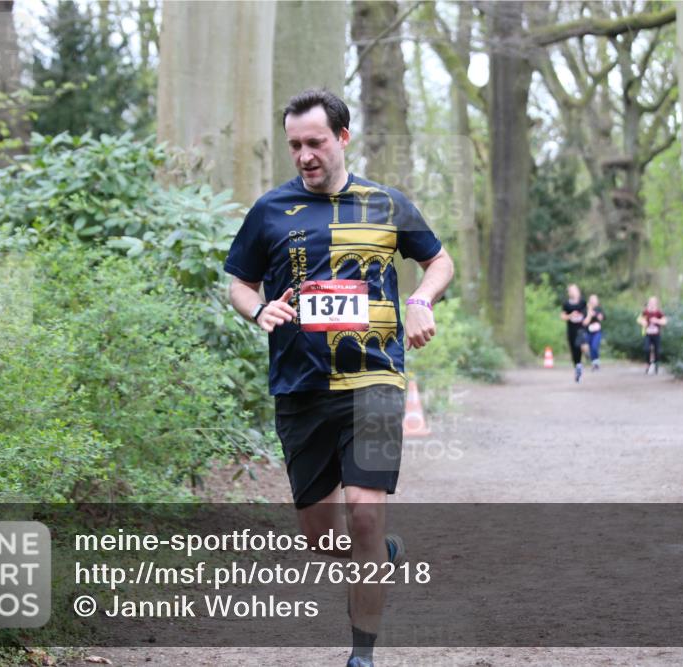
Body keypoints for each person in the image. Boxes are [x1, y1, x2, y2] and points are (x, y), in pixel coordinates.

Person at [225, 89, 454, 667]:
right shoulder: (270, 211)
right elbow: (238, 283)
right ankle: (378, 552)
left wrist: (422, 301)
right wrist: (259, 310)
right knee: (324, 540)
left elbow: (439, 261)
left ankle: (362, 654)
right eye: (295, 145)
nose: (304, 155)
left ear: (343, 138)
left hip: (375, 380)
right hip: (301, 388)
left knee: (367, 509)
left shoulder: (386, 204)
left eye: (315, 142)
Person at [560, 284, 587, 382]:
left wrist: (585, 318)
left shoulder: (583, 302)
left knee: (580, 344)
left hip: (582, 328)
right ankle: (578, 367)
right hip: (571, 330)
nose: (573, 292)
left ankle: (587, 352)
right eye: (571, 291)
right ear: (569, 293)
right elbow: (562, 316)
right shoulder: (566, 304)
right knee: (574, 349)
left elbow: (588, 312)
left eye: (574, 290)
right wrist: (570, 315)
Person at [637, 296, 668, 375]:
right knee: (647, 349)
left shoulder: (658, 312)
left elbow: (665, 321)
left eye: (653, 302)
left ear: (656, 303)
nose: (652, 304)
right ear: (648, 303)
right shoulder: (645, 312)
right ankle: (648, 364)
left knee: (657, 350)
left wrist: (657, 321)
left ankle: (656, 364)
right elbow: (639, 319)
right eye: (650, 302)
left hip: (656, 334)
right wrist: (643, 322)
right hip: (647, 334)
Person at [583, 294, 605, 371]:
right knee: (588, 348)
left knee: (594, 346)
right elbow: (585, 322)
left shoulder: (599, 309)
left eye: (595, 299)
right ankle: (593, 362)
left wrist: (595, 314)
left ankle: (596, 362)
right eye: (592, 300)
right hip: (588, 332)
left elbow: (601, 318)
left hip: (597, 332)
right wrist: (589, 312)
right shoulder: (585, 310)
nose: (593, 301)